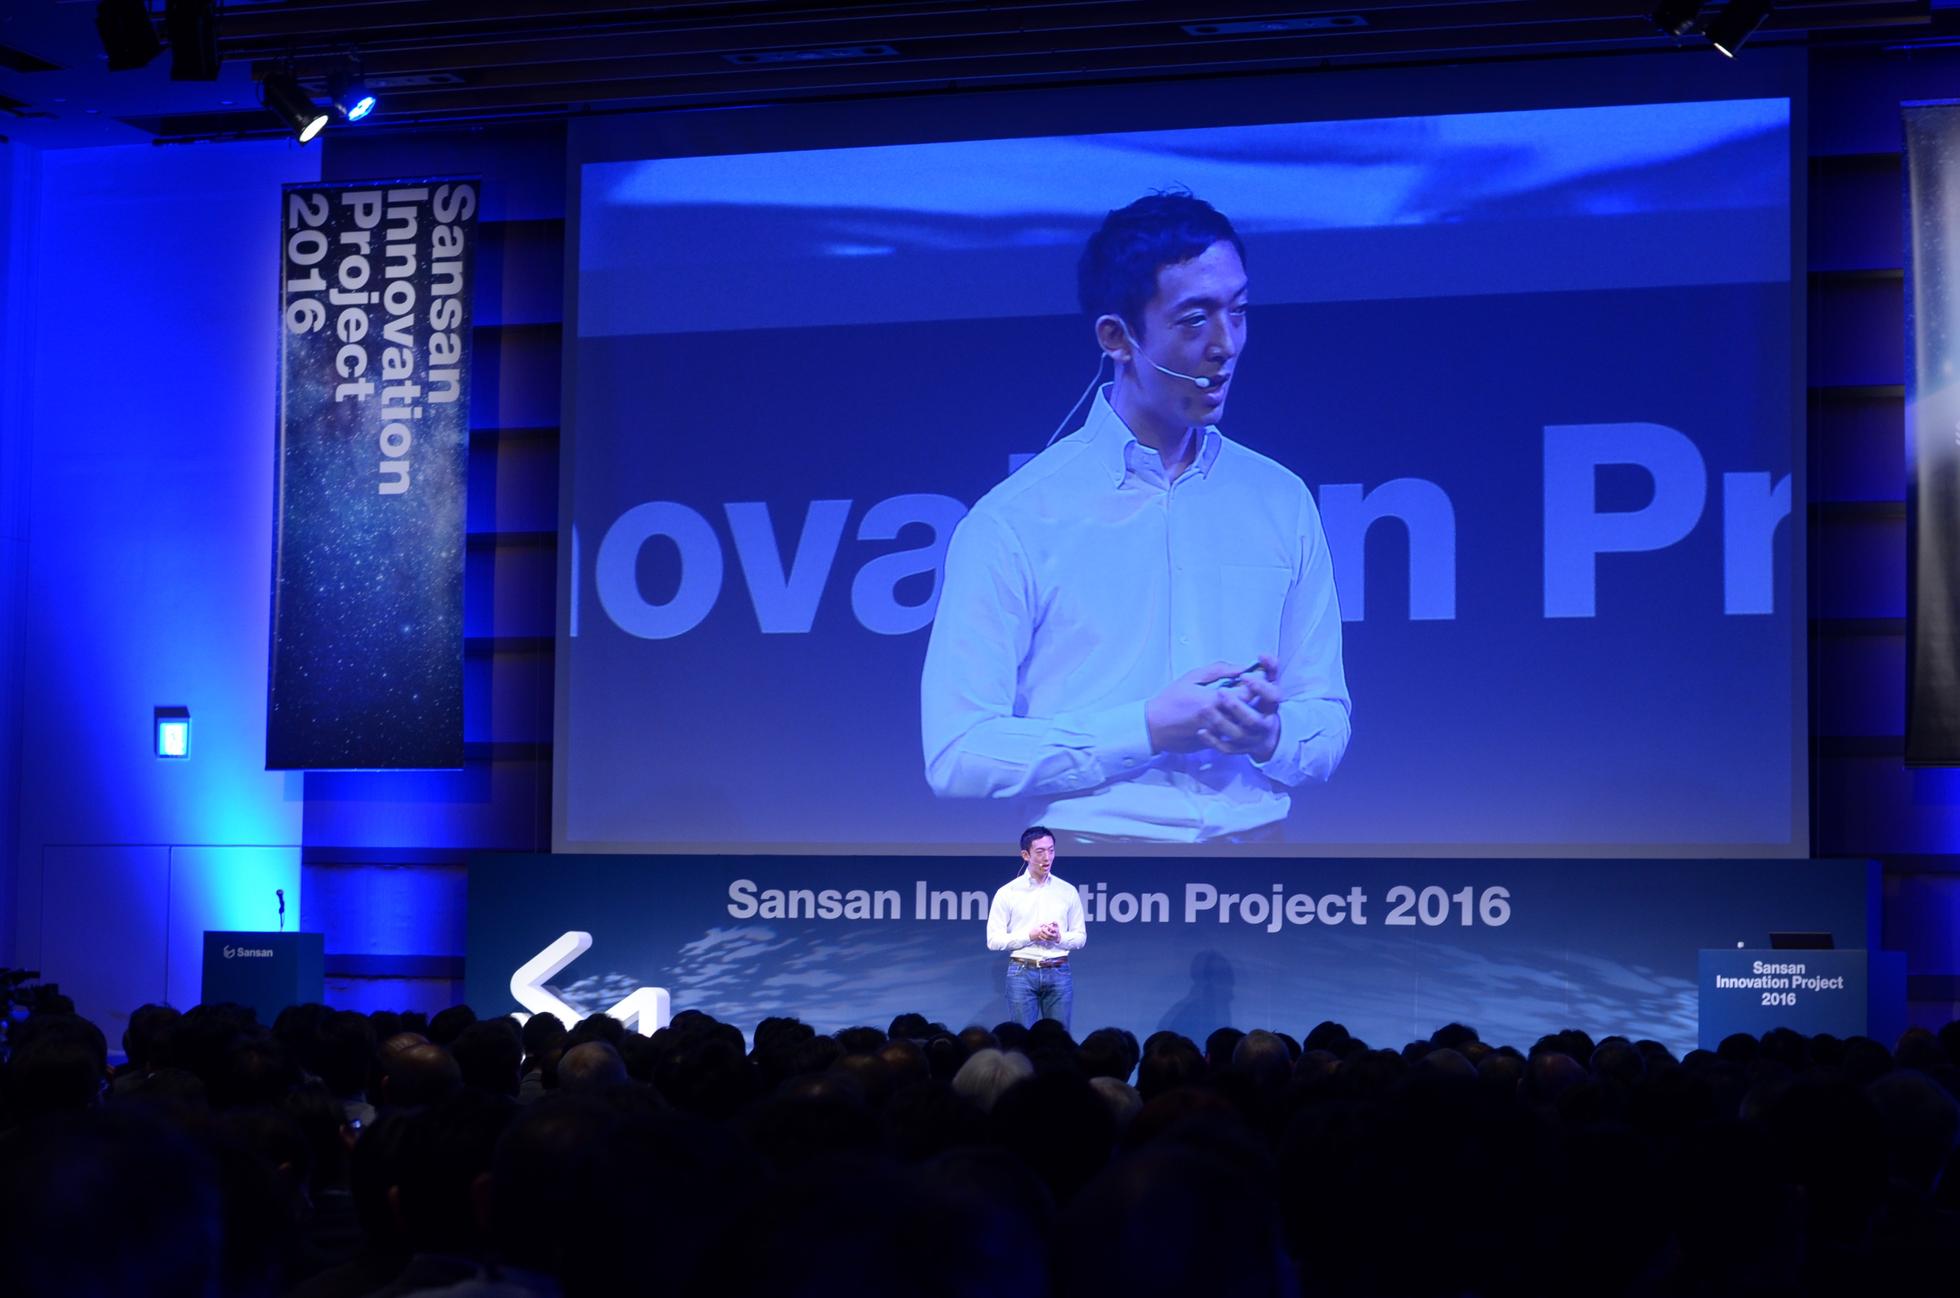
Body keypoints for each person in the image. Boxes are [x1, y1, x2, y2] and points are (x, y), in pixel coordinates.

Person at [921, 190, 1350, 844]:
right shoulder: (1015, 519)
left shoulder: (1280, 499)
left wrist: (1272, 734)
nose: (1225, 345)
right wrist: (1144, 729)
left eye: (1238, 312)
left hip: (1261, 865)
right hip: (1088, 867)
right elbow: (958, 754)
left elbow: (1328, 721)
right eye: (1194, 320)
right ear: (1117, 338)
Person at [985, 827, 1086, 1029]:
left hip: (1058, 970)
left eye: (1051, 850)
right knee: (1022, 1038)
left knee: (1058, 1038)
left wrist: (1058, 937)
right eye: (1040, 852)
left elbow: (1080, 937)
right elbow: (993, 940)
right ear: (1025, 855)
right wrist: (1029, 935)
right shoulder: (1008, 892)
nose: (1047, 857)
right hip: (1022, 971)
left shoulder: (1067, 891)